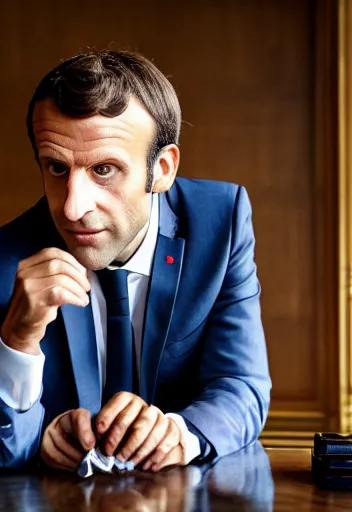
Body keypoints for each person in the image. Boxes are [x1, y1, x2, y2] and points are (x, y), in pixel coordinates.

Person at [0, 50, 271, 470]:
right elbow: (8, 447)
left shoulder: (221, 223)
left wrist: (180, 434)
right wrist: (17, 344)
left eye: (104, 170)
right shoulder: (8, 258)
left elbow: (241, 385)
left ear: (161, 169)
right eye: (56, 167)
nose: (73, 208)